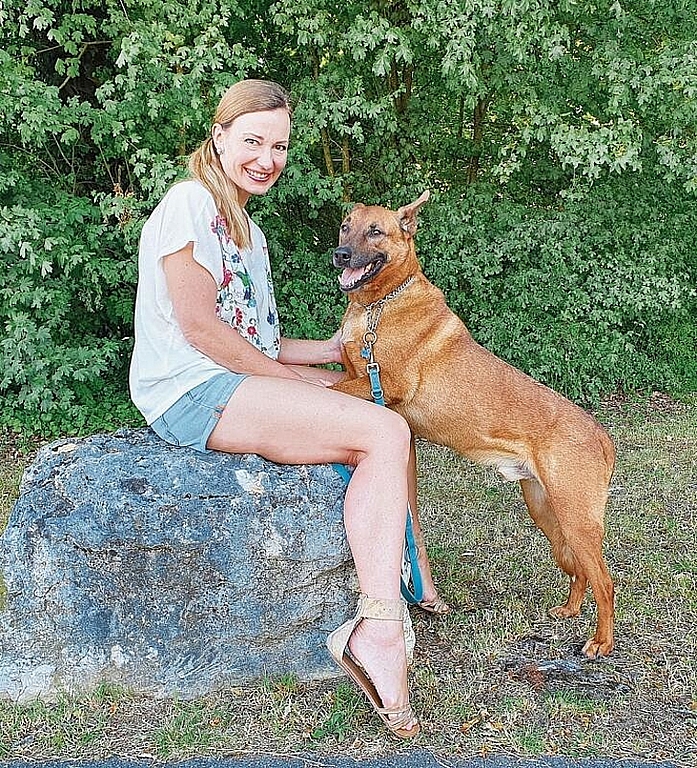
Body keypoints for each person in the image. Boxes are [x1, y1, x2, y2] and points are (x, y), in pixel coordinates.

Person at [129, 78, 448, 739]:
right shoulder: (190, 204)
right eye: (252, 141)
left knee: (377, 410)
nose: (266, 159)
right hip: (191, 389)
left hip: (231, 376)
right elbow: (201, 330)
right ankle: (377, 632)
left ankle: (411, 572)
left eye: (278, 146)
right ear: (218, 137)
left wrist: (339, 348)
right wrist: (290, 381)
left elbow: (260, 339)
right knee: (380, 429)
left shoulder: (250, 231)